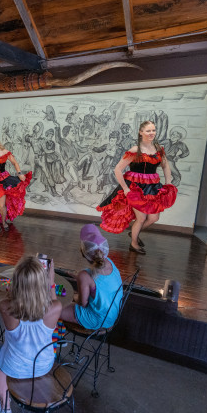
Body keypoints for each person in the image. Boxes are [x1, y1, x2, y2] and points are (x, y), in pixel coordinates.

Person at [0, 255, 62, 413]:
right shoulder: (55, 308)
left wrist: (17, 288)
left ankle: (5, 406)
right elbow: (52, 301)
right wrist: (51, 282)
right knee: (3, 350)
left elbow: (11, 299)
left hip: (14, 367)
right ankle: (4, 403)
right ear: (43, 283)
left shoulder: (5, 307)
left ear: (15, 283)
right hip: (44, 365)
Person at [96, 120, 178, 254]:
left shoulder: (158, 148)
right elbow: (117, 169)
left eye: (153, 130)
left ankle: (134, 233)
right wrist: (125, 188)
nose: (152, 133)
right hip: (136, 187)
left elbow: (165, 166)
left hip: (152, 187)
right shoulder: (135, 150)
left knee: (153, 218)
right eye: (148, 131)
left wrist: (168, 183)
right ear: (141, 132)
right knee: (141, 218)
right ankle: (134, 244)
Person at [58, 224, 124, 330]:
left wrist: (72, 296)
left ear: (83, 251)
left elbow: (82, 303)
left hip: (97, 319)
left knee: (52, 310)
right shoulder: (110, 263)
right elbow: (101, 283)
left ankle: (56, 338)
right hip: (111, 315)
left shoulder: (84, 275)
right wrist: (80, 279)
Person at [0, 130, 32, 233]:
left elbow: (15, 163)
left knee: (1, 205)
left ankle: (3, 222)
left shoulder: (4, 151)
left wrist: (20, 173)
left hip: (2, 180)